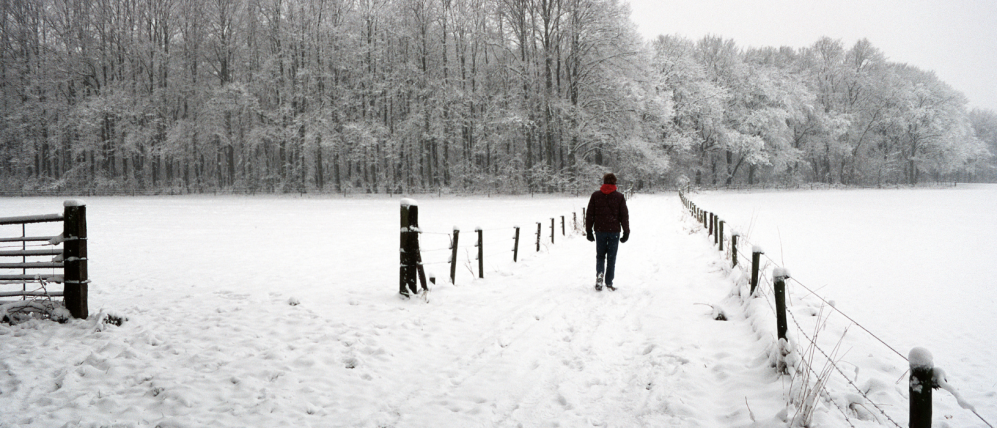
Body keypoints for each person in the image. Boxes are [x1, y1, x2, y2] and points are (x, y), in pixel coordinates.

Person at [585, 173, 630, 291]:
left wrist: (589, 230)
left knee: (600, 256)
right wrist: (626, 231)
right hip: (614, 231)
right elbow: (624, 216)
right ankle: (609, 282)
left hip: (600, 230)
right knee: (611, 257)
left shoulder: (596, 196)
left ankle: (600, 274)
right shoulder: (619, 197)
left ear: (604, 182)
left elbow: (590, 214)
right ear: (615, 183)